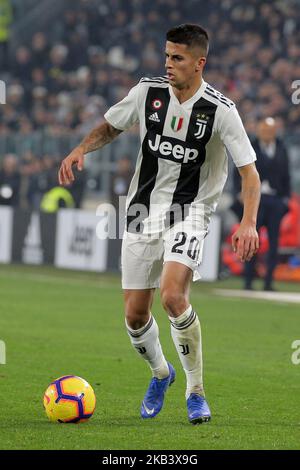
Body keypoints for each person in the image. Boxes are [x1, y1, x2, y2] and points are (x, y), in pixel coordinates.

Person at [58, 24, 261, 425]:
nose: (168, 64)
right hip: (139, 212)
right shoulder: (147, 92)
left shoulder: (221, 110)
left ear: (199, 63)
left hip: (191, 212)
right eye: (167, 56)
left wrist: (249, 223)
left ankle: (196, 392)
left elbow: (249, 174)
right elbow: (112, 126)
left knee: (172, 296)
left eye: (178, 58)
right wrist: (82, 147)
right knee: (135, 316)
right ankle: (161, 374)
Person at [233, 117, 290, 291]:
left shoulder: (281, 148)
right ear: (259, 131)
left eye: (270, 130)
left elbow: (286, 175)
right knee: (250, 240)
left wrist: (285, 198)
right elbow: (240, 171)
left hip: (275, 200)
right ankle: (248, 281)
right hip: (254, 200)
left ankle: (268, 282)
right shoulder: (250, 146)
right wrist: (239, 194)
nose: (267, 133)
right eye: (264, 130)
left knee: (274, 243)